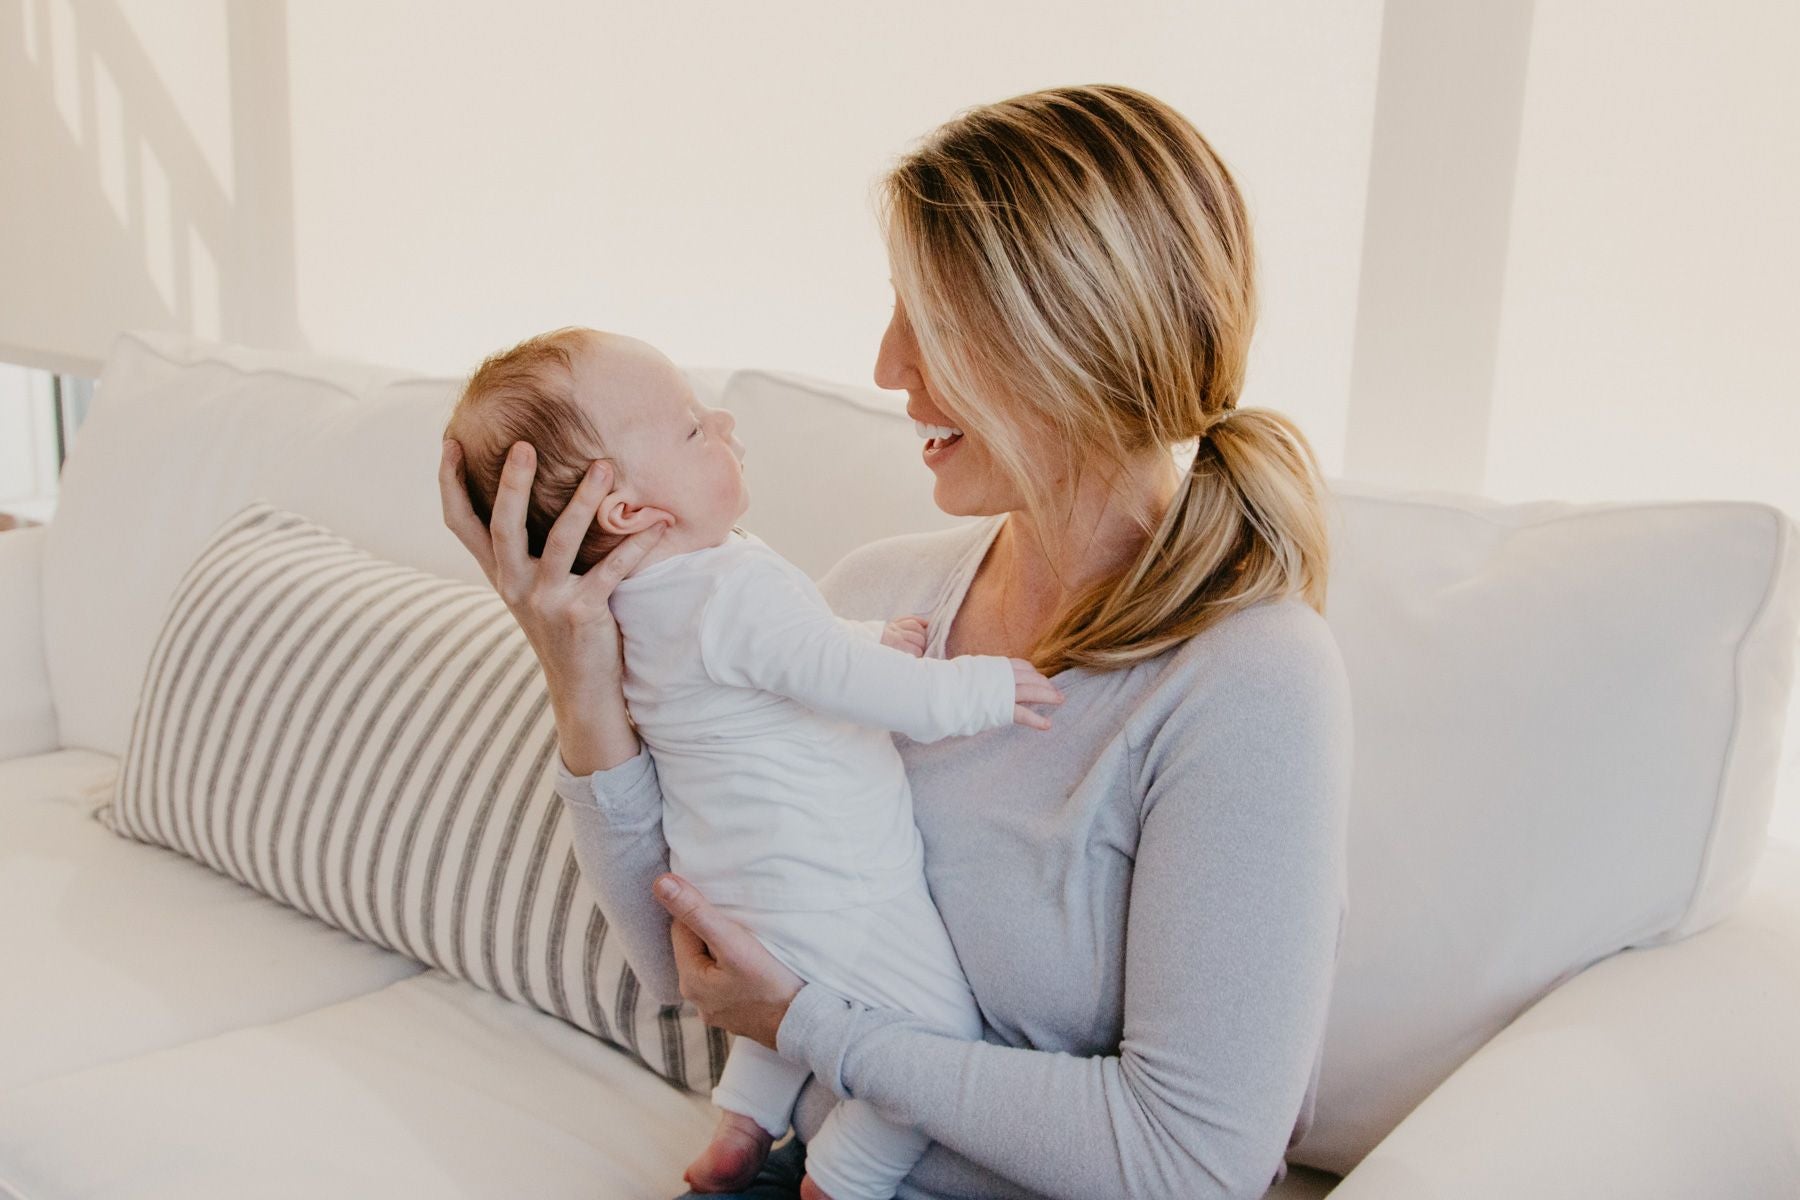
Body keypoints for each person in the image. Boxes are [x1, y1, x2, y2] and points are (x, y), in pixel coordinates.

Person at [439, 82, 1352, 1200]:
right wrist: (581, 681)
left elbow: (1189, 1162)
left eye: (929, 319)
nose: (884, 365)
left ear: (1065, 335)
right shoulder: (877, 598)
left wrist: (816, 1028)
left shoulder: (1251, 680)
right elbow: (689, 965)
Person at [440, 326, 1063, 1199]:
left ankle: (741, 1123)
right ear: (623, 510)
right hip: (824, 888)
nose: (723, 420)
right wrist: (982, 691)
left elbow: (781, 666)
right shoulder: (734, 585)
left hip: (734, 894)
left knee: (793, 1011)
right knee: (938, 1040)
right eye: (693, 428)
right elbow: (838, 678)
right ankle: (844, 1177)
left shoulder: (649, 607)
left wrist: (867, 636)